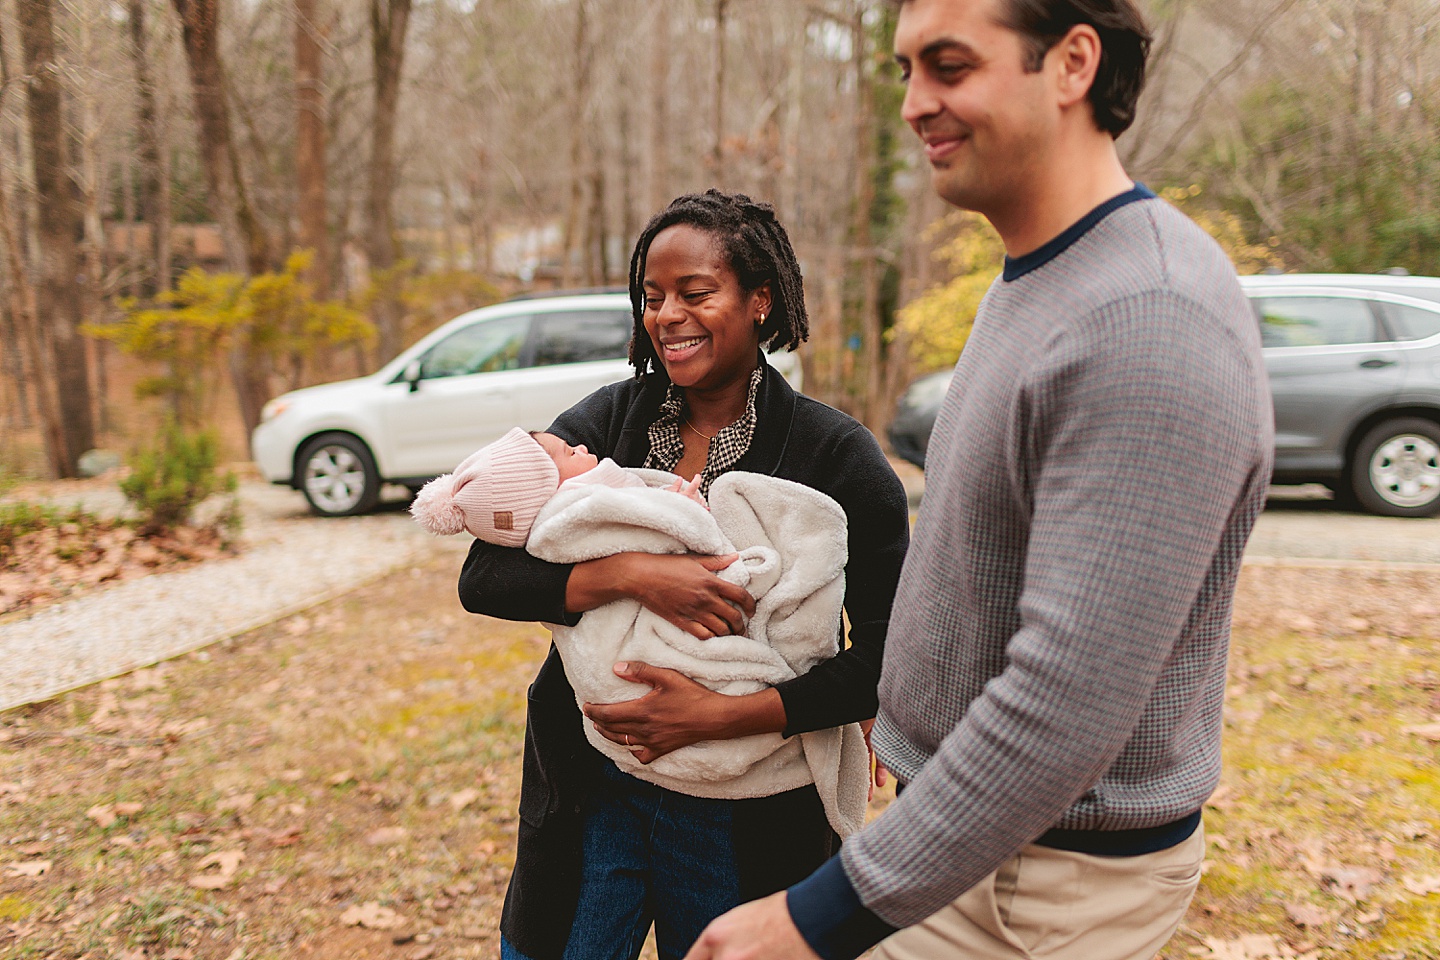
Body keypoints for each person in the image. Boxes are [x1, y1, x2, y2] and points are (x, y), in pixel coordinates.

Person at [685, 1, 1275, 959]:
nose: (916, 102)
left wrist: (817, 916)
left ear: (1073, 62)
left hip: (1042, 887)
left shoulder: (1148, 319)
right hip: (974, 842)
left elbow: (1069, 700)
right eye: (907, 69)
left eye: (950, 66)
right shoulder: (1047, 276)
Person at [456, 189, 910, 960]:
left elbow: (888, 660)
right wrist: (633, 575)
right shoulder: (609, 421)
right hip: (592, 787)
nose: (667, 315)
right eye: (652, 296)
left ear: (762, 300)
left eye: (696, 293)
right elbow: (484, 577)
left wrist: (718, 715)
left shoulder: (836, 458)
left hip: (749, 811)